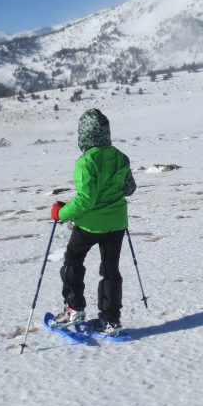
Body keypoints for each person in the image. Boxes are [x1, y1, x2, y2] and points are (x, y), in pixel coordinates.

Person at [48, 108, 136, 336]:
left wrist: (61, 213)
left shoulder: (85, 162)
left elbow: (86, 199)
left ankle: (74, 308)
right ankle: (111, 320)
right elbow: (130, 189)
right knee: (110, 270)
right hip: (116, 223)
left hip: (89, 225)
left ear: (83, 135)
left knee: (73, 262)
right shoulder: (120, 157)